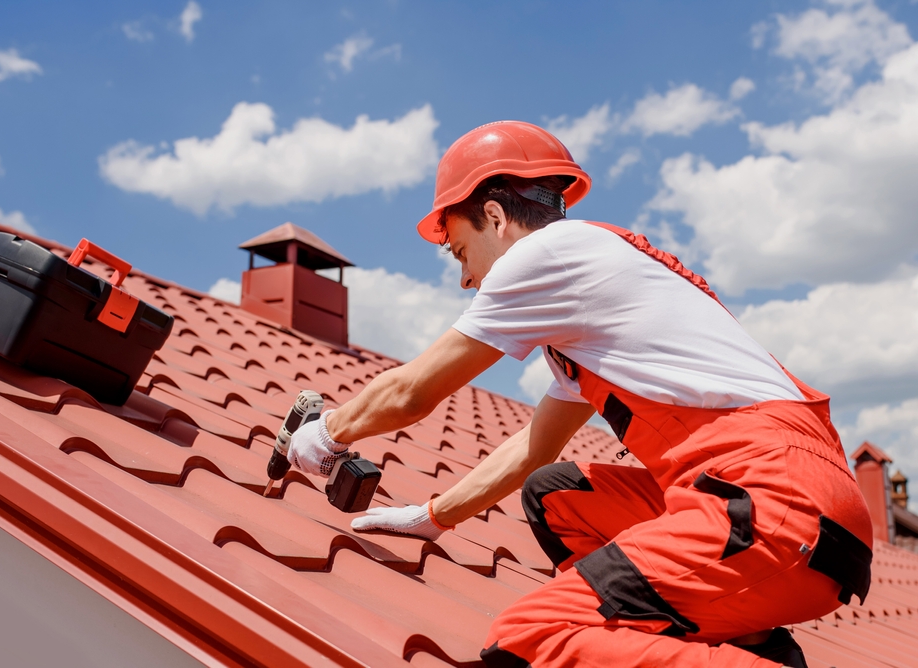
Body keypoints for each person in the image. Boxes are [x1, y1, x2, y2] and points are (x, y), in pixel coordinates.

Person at [287, 121, 873, 668]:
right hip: (800, 505)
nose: (465, 279)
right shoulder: (591, 288)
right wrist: (432, 518)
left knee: (530, 637)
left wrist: (327, 432)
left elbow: (414, 392)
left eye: (460, 253)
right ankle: (738, 640)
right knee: (556, 494)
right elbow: (533, 453)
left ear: (493, 215)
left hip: (771, 508)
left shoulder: (547, 255)